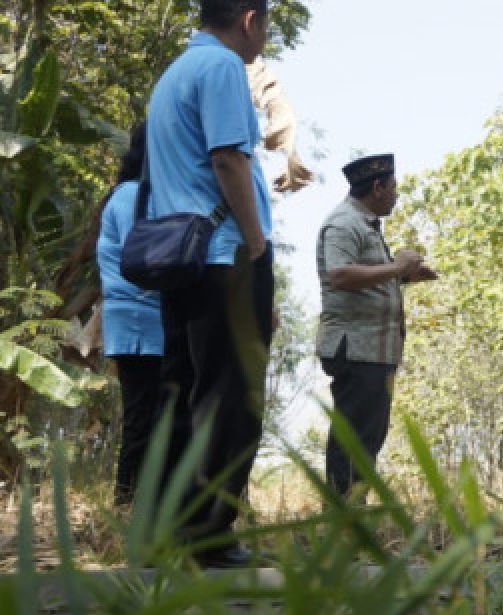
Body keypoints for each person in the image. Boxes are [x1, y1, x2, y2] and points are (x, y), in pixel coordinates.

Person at [147, 0, 275, 568]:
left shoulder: (173, 74)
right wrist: (256, 245)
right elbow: (228, 160)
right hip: (224, 255)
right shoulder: (224, 68)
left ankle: (170, 528)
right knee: (231, 396)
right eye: (265, 25)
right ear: (250, 19)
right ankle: (209, 536)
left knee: (185, 394)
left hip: (179, 258)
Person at [316, 154, 437, 497]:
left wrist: (406, 276)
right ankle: (344, 526)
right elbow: (339, 275)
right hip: (356, 349)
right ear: (378, 187)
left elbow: (366, 279)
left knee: (367, 438)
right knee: (353, 440)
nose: (397, 196)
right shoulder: (344, 223)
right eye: (394, 188)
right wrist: (397, 267)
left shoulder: (364, 224)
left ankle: (352, 519)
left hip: (375, 350)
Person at [82, 123, 163, 506]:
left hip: (139, 319)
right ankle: (127, 503)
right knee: (143, 418)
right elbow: (147, 260)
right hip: (139, 318)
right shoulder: (134, 196)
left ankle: (134, 501)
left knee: (145, 415)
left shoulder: (132, 194)